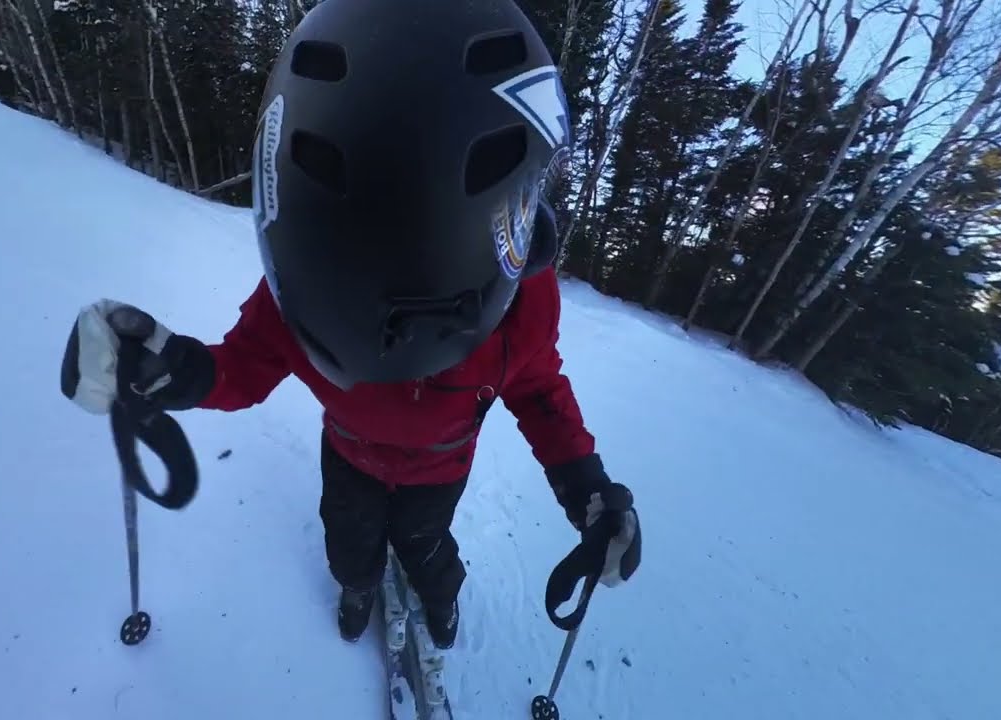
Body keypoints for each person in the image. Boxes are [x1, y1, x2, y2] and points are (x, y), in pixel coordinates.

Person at [59, 0, 641, 650]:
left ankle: (438, 594)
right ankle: (359, 584)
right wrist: (171, 369)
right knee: (350, 541)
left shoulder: (518, 303)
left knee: (426, 544)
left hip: (436, 471)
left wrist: (584, 484)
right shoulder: (306, 287)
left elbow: (538, 389)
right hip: (352, 458)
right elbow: (241, 366)